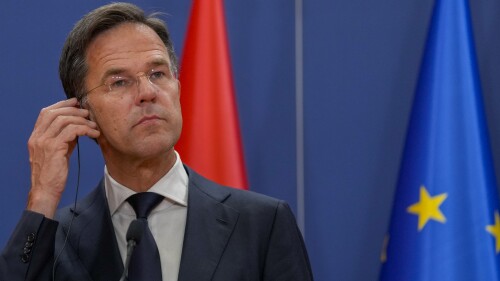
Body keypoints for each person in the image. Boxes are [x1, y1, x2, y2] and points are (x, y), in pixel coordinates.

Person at [0, 2, 313, 281]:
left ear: (177, 87)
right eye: (119, 82)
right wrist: (42, 195)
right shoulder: (54, 240)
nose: (147, 92)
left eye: (158, 73)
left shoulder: (261, 225)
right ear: (82, 113)